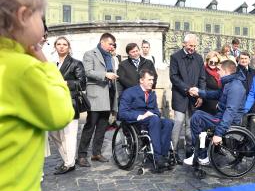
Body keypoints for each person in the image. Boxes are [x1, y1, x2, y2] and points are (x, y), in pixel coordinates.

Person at [0, 0, 74, 191]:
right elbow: (60, 113)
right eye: (41, 18)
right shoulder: (23, 69)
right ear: (23, 16)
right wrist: (45, 65)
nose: (44, 29)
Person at [184, 60, 247, 165]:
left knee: (197, 117)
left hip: (229, 120)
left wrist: (218, 133)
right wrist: (199, 92)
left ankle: (201, 155)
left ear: (227, 71)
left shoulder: (235, 86)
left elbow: (230, 111)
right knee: (198, 117)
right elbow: (216, 94)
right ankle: (200, 153)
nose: (218, 72)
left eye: (220, 70)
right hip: (221, 115)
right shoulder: (229, 83)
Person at [77, 33, 119, 167]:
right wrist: (105, 75)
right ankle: (82, 155)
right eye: (110, 44)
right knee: (90, 126)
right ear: (102, 42)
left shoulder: (111, 58)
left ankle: (96, 153)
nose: (112, 47)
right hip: (96, 95)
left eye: (113, 45)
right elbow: (88, 72)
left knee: (102, 127)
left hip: (109, 95)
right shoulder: (90, 54)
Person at [118, 70, 173, 172]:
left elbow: (156, 111)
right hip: (135, 122)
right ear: (141, 80)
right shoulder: (129, 92)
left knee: (168, 122)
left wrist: (153, 114)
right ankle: (157, 157)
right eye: (149, 80)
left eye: (153, 80)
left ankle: (163, 156)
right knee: (155, 120)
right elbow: (122, 113)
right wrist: (141, 116)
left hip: (151, 120)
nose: (152, 82)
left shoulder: (152, 94)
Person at [49, 36, 86, 175]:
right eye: (59, 44)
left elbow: (82, 83)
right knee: (54, 133)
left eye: (64, 44)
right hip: (54, 104)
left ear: (69, 47)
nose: (61, 46)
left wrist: (67, 83)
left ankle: (69, 163)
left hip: (71, 103)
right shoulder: (53, 65)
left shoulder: (76, 63)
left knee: (69, 134)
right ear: (55, 46)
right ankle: (68, 160)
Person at [169, 33, 206, 163]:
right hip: (180, 96)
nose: (192, 48)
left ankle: (189, 151)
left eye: (195, 46)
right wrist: (187, 89)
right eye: (190, 45)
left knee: (191, 125)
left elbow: (202, 78)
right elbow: (174, 77)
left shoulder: (199, 58)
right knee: (178, 122)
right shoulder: (175, 57)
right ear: (184, 44)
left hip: (194, 97)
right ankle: (172, 152)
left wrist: (201, 94)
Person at [237, 51, 255, 135]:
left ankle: (251, 146)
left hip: (252, 104)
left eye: (246, 59)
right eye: (242, 58)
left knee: (252, 128)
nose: (244, 60)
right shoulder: (235, 71)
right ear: (238, 60)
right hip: (240, 104)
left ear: (249, 60)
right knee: (241, 128)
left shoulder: (254, 72)